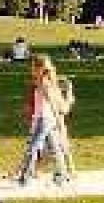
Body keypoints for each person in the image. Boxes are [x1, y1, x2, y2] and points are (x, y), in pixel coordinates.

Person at [16, 55, 73, 186]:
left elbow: (53, 103)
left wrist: (58, 120)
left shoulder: (44, 82)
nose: (31, 69)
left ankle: (25, 176)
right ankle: (61, 175)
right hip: (47, 119)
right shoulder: (44, 81)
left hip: (44, 119)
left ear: (40, 68)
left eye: (33, 66)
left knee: (33, 146)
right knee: (54, 147)